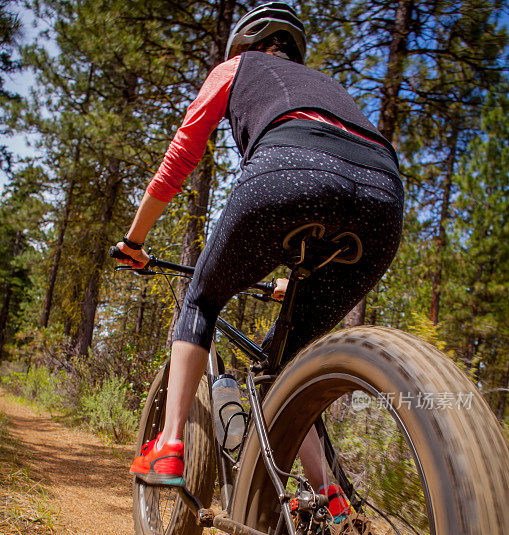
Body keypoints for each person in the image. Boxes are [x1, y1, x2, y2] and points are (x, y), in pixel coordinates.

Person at [112, 2, 404, 488]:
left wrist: (134, 240)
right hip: (383, 199)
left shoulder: (236, 68)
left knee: (201, 301)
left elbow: (179, 159)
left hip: (287, 172)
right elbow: (342, 169)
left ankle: (168, 446)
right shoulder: (329, 86)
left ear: (246, 45)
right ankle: (332, 503)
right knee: (286, 365)